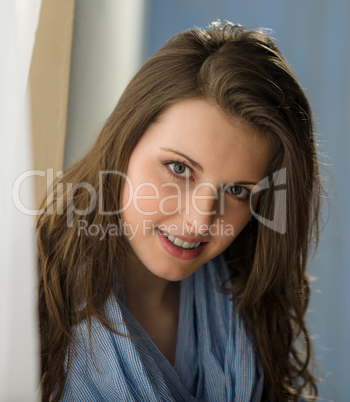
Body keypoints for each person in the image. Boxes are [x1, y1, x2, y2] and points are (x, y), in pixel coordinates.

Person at [36, 21, 321, 401]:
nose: (199, 220)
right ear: (125, 142)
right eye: (180, 169)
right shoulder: (20, 296)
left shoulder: (252, 309)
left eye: (237, 191)